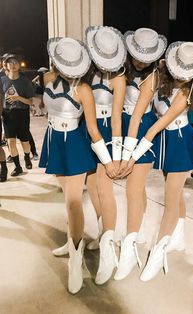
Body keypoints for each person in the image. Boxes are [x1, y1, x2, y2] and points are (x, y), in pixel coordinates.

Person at [121, 41, 193, 281]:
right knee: (176, 193)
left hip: (180, 140)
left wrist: (134, 153)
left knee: (170, 196)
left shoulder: (188, 92)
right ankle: (178, 237)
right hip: (167, 141)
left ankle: (159, 251)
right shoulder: (163, 80)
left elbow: (156, 126)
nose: (181, 75)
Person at [39, 37, 116, 294]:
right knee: (67, 198)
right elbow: (45, 105)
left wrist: (109, 161)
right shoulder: (48, 78)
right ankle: (74, 239)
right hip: (53, 141)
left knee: (73, 200)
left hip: (72, 143)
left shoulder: (83, 89)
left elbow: (93, 129)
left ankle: (76, 260)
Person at [51, 26, 127, 285]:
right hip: (81, 132)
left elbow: (116, 118)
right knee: (89, 190)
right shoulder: (82, 73)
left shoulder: (118, 79)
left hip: (104, 134)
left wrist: (114, 156)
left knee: (104, 190)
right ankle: (78, 237)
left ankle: (108, 249)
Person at [114, 28, 167, 280]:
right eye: (137, 54)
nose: (141, 60)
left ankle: (130, 245)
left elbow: (136, 116)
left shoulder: (153, 76)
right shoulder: (121, 68)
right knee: (138, 188)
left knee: (133, 189)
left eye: (146, 56)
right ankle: (141, 229)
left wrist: (127, 155)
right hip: (120, 124)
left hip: (140, 128)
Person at [1, 54, 34, 176]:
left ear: (19, 65)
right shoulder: (2, 80)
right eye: (10, 62)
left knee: (25, 142)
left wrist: (18, 97)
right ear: (6, 65)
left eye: (15, 62)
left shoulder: (25, 81)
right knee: (11, 142)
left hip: (22, 113)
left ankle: (27, 156)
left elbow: (30, 101)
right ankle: (18, 167)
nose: (13, 65)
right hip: (7, 114)